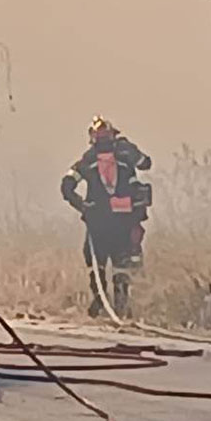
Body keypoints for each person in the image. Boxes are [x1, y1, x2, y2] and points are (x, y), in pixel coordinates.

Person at [60, 117, 152, 317]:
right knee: (101, 263)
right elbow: (67, 185)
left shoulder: (119, 156)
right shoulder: (93, 160)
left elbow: (145, 164)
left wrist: (82, 206)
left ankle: (115, 305)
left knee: (111, 264)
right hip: (109, 222)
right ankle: (107, 303)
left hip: (110, 222)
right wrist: (82, 206)